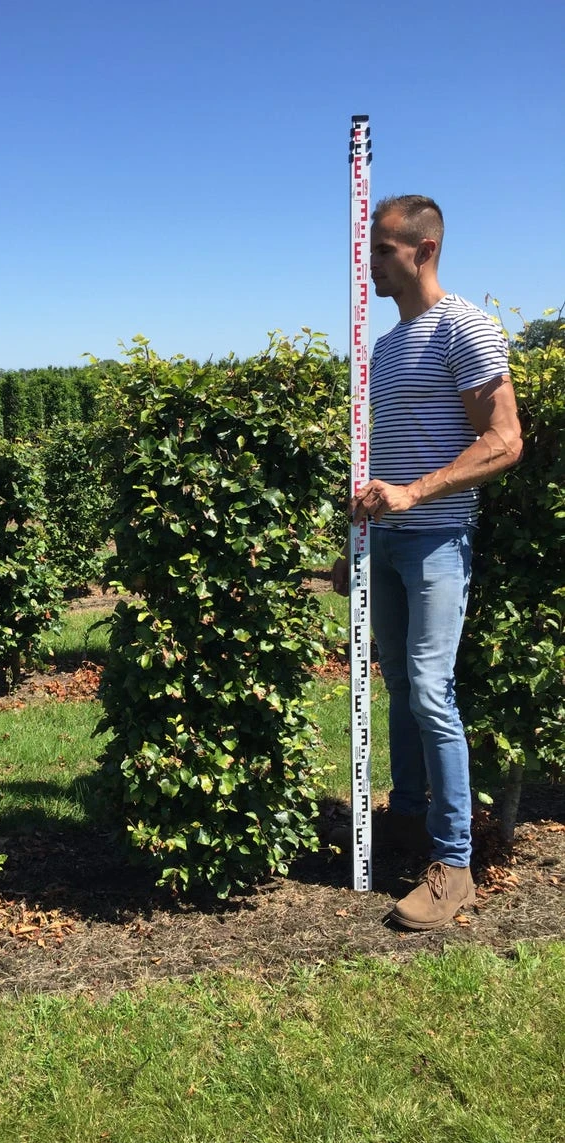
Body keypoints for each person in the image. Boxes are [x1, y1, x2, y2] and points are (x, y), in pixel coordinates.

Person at [332, 194, 522, 931]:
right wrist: (358, 531)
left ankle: (454, 864)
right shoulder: (386, 346)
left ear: (424, 250)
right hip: (384, 542)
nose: (370, 264)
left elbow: (504, 440)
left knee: (431, 692)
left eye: (382, 250)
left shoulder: (464, 327)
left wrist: (415, 492)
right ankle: (407, 819)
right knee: (400, 687)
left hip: (439, 537)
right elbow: (385, 449)